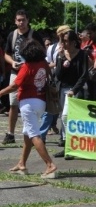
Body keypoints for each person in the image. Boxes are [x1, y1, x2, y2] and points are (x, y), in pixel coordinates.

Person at [0, 39, 57, 178]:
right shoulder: (43, 63)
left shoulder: (27, 66)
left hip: (28, 103)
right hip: (41, 101)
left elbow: (15, 85)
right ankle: (22, 163)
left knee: (33, 135)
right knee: (27, 133)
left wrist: (0, 92)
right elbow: (49, 75)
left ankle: (50, 165)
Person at [3, 9, 44, 145]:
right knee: (13, 104)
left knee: (31, 103)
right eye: (19, 20)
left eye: (23, 20)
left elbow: (42, 52)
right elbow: (6, 54)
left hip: (31, 73)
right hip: (16, 72)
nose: (21, 22)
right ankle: (10, 133)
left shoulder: (34, 35)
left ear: (28, 20)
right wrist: (12, 62)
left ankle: (34, 133)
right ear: (15, 21)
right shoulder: (12, 35)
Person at [53, 30, 88, 158]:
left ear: (73, 42)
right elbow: (57, 75)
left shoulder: (82, 55)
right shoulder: (60, 55)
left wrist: (74, 90)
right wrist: (61, 59)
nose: (63, 43)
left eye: (66, 41)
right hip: (63, 89)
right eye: (62, 41)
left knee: (67, 117)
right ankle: (67, 146)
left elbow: (84, 75)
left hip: (75, 90)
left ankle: (71, 146)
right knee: (63, 116)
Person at [80, 23, 96, 101]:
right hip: (88, 74)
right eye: (88, 34)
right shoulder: (87, 42)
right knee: (88, 96)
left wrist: (90, 54)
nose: (89, 36)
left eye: (91, 33)